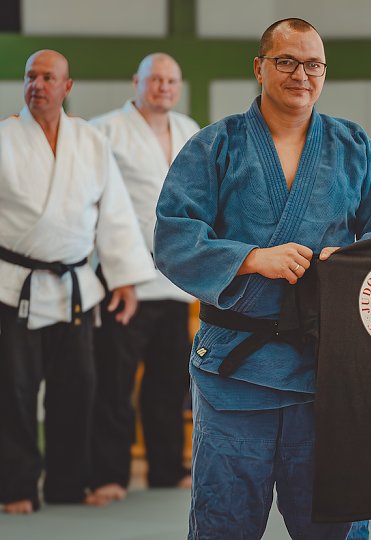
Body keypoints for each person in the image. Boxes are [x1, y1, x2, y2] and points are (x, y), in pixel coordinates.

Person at [153, 18, 371, 539]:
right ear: (260, 68)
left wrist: (348, 261)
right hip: (234, 369)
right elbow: (171, 237)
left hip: (326, 372)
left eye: (313, 64)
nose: (302, 74)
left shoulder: (352, 147)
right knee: (222, 524)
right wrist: (253, 258)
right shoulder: (215, 145)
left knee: (335, 524)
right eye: (287, 61)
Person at [0, 50, 155, 513]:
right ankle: (16, 487)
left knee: (78, 389)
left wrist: (125, 279)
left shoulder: (89, 141)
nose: (38, 85)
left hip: (74, 289)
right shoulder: (5, 138)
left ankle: (68, 484)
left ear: (68, 87)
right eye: (31, 76)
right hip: (12, 285)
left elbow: (114, 214)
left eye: (49, 77)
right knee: (15, 392)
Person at [86, 53, 200, 503]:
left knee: (170, 382)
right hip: (123, 277)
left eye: (172, 81)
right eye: (155, 80)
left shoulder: (190, 130)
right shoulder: (103, 130)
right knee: (114, 380)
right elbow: (97, 205)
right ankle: (108, 474)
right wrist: (117, 271)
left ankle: (167, 468)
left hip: (175, 278)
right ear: (137, 81)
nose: (164, 88)